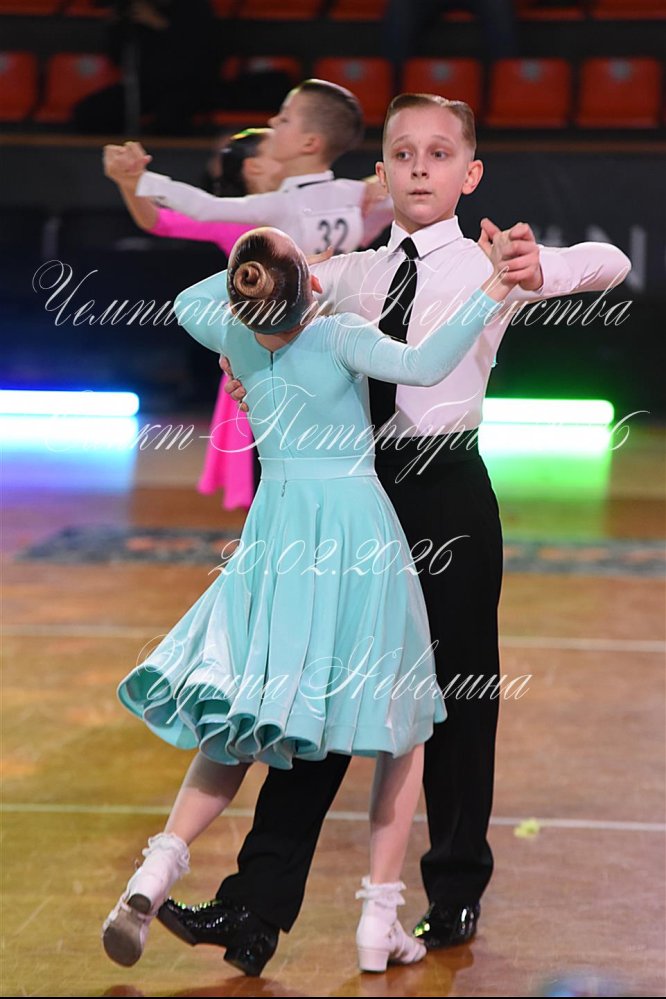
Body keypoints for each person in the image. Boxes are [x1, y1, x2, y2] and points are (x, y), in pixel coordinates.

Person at [161, 93, 632, 974]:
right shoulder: (349, 274)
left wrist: (535, 263)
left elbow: (608, 262)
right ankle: (255, 907)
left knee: (458, 696)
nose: (421, 167)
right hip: (359, 495)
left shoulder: (492, 264)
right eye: (404, 153)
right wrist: (245, 347)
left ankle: (453, 889)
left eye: (440, 153)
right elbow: (255, 302)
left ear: (470, 173)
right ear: (381, 172)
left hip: (449, 491)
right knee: (319, 694)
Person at [101, 223, 524, 975]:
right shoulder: (337, 336)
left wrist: (261, 278)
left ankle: (160, 861)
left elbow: (189, 299)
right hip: (356, 533)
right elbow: (425, 364)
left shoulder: (234, 331)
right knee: (403, 720)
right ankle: (378, 916)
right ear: (309, 283)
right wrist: (492, 286)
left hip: (278, 533)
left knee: (252, 705)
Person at [104, 128, 284, 510]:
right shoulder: (232, 218)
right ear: (253, 168)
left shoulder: (317, 203)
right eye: (277, 150)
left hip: (317, 348)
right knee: (264, 473)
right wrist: (126, 181)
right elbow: (158, 221)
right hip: (259, 354)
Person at [131, 78, 394, 252]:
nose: (272, 122)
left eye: (285, 119)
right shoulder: (358, 195)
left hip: (287, 314)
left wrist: (141, 178)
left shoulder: (282, 204)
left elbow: (204, 207)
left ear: (310, 143)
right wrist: (389, 181)